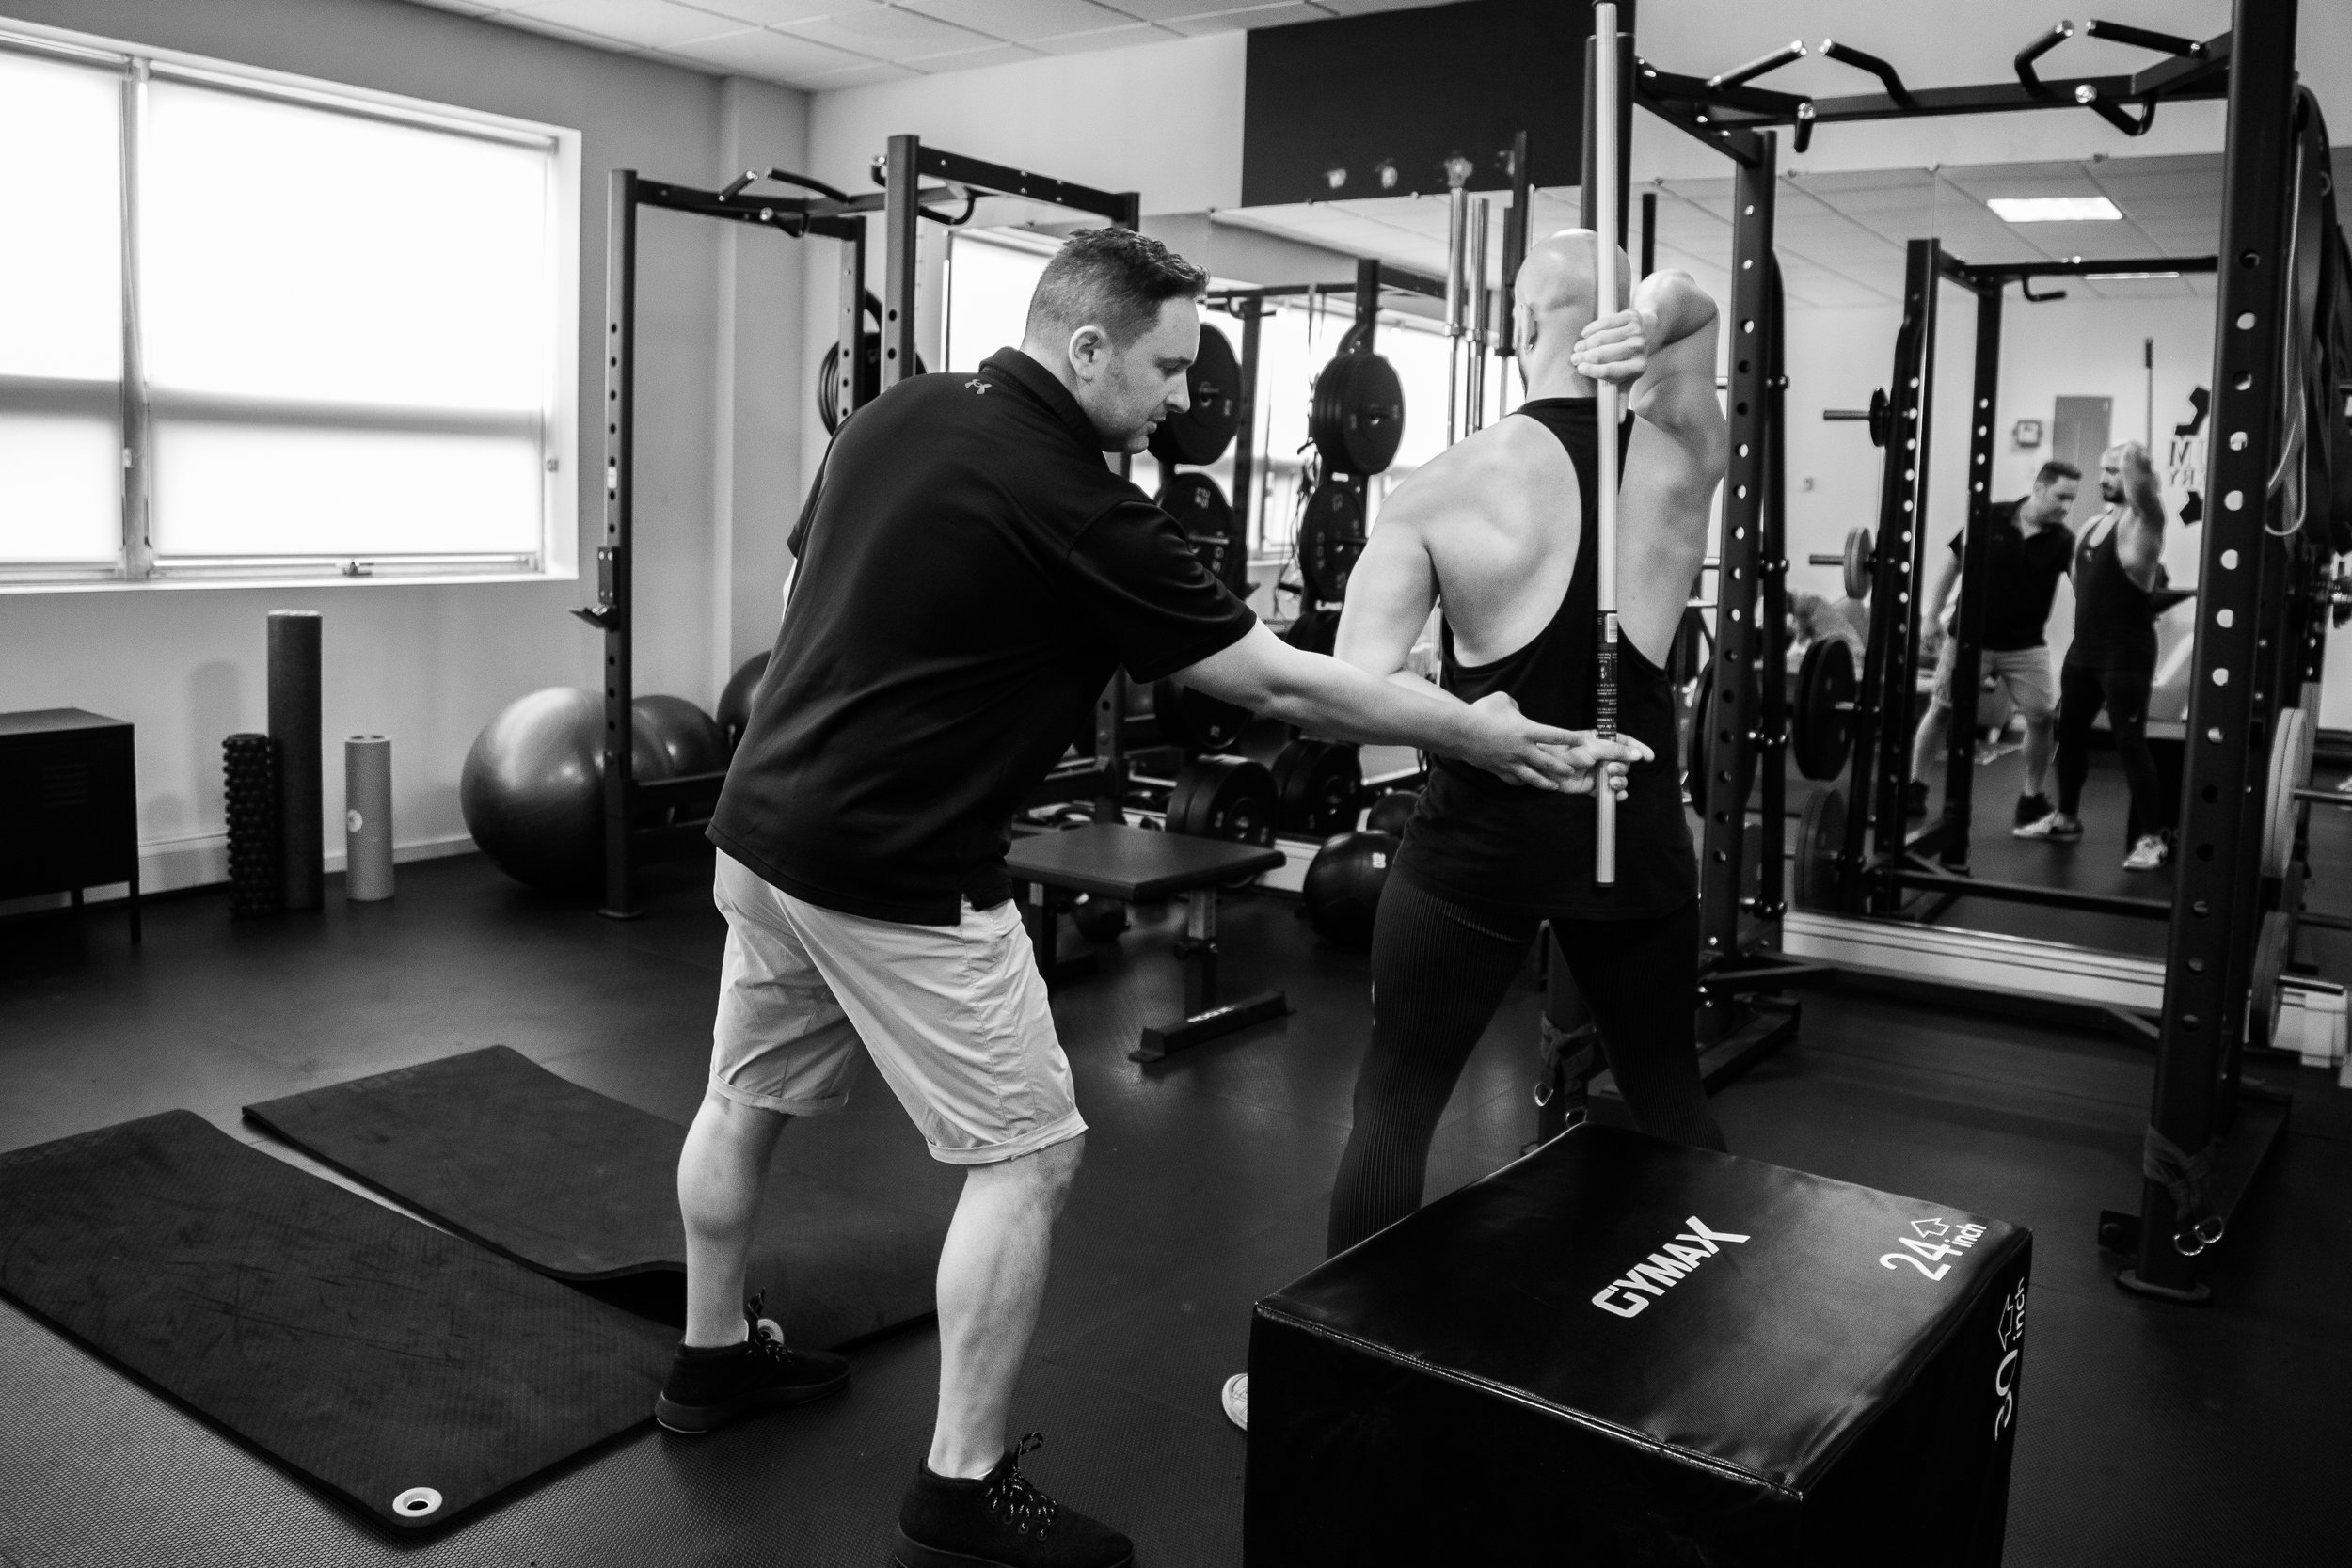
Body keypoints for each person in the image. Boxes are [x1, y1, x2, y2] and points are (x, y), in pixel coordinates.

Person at [666, 227, 1642, 1568]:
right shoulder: (1078, 502)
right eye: (1169, 368)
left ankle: (710, 1357)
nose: (1182, 399)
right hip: (895, 870)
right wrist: (1486, 733)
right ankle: (961, 1487)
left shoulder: (897, 413)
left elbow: (804, 596)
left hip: (760, 830)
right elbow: (1283, 684)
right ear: (1086, 349)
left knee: (741, 1096)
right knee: (1028, 1153)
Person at [1216, 231, 1719, 1434]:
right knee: (1674, 1103)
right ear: (1615, 327)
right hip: (1629, 822)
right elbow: (1698, 303)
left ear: (1512, 324)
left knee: (1395, 1103)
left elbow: (1349, 688)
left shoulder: (1439, 485)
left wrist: (1464, 706)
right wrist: (1661, 315)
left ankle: (1345, 1382)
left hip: (1477, 841)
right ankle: (1716, 1380)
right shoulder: (1682, 453)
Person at [2017, 442, 2169, 868]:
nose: (2105, 478)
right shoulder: (2090, 526)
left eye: (2115, 471)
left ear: (2136, 476)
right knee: (2070, 736)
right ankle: (2066, 818)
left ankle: (2152, 839)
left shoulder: (2145, 524)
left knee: (2129, 744)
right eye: (2102, 470)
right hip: (2083, 652)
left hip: (2127, 655)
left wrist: (2134, 457)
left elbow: (2145, 492)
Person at [1904, 461, 2081, 823]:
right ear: (2039, 487)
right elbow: (1952, 565)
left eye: (2071, 501)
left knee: (2043, 718)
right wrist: (1929, 617)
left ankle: (2031, 797)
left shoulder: (2064, 541)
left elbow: (2083, 589)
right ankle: (1915, 786)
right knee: (1942, 709)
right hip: (1968, 639)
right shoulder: (1989, 517)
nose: (2066, 507)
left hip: (2026, 646)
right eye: (2061, 497)